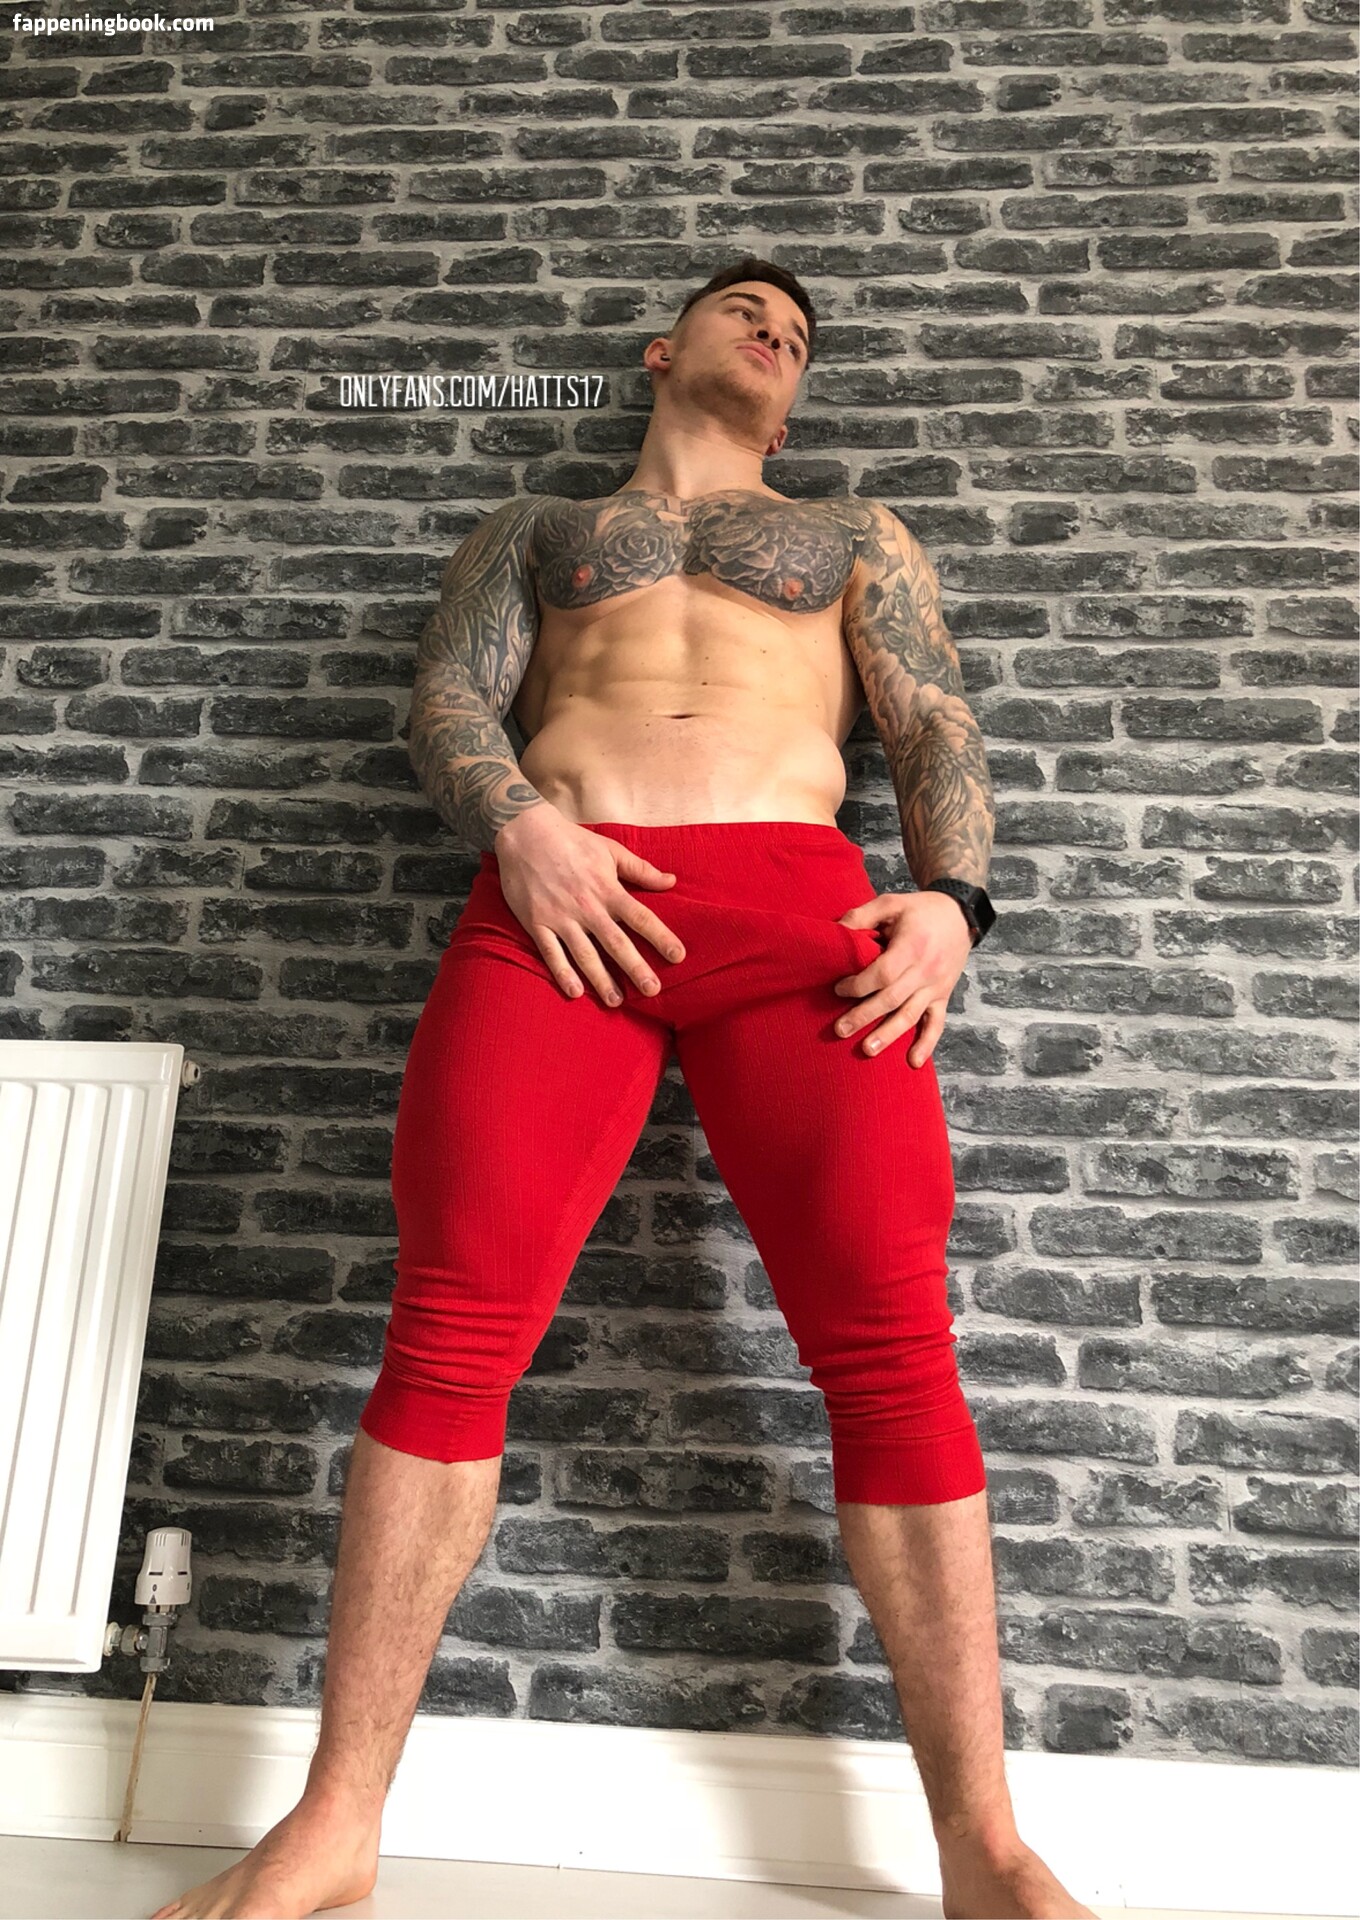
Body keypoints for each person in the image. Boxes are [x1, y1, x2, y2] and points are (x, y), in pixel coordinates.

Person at [153, 258, 1092, 1920]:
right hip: (557, 906)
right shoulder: (537, 527)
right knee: (450, 1328)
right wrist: (519, 827)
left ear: (797, 402)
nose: (779, 330)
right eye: (748, 308)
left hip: (803, 922)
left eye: (800, 333)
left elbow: (935, 721)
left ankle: (985, 1848)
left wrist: (957, 902)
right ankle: (337, 1824)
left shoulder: (852, 534)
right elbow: (448, 698)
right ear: (663, 350)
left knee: (891, 1350)